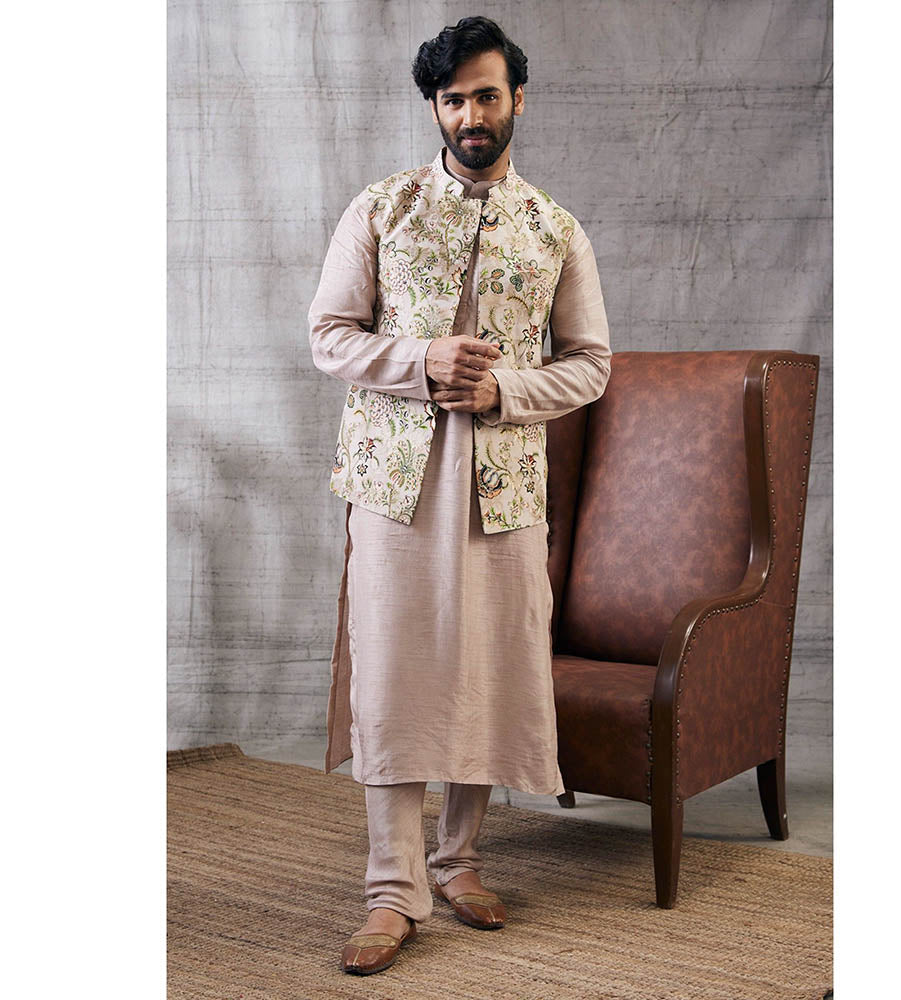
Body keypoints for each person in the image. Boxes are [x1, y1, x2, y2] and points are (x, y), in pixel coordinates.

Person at [307, 15, 611, 976]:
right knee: (395, 674)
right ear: (434, 108)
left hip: (503, 488)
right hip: (394, 484)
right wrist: (422, 360)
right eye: (453, 100)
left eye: (486, 95)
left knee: (487, 669)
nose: (471, 115)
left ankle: (458, 860)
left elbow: (592, 364)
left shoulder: (555, 229)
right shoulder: (382, 208)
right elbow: (329, 334)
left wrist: (503, 389)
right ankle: (391, 891)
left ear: (517, 98)